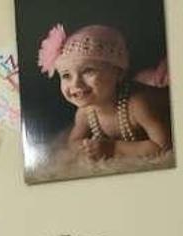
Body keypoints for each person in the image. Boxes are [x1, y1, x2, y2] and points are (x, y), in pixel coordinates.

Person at [38, 24, 172, 162]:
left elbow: (163, 146)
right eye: (66, 76)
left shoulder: (137, 105)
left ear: (118, 74)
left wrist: (114, 148)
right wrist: (87, 149)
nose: (76, 84)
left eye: (88, 71)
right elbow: (73, 143)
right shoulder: (86, 112)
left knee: (164, 79)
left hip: (165, 94)